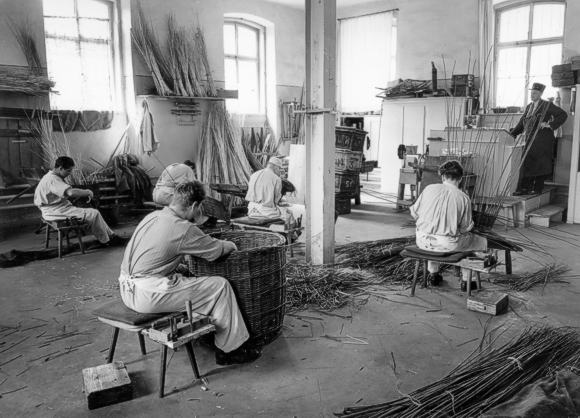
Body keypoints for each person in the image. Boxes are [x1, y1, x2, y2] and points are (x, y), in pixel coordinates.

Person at [119, 181, 260, 365]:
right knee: (219, 286)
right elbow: (216, 251)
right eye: (199, 207)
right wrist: (233, 245)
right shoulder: (183, 228)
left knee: (188, 277)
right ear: (194, 205)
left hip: (125, 288)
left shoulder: (153, 217)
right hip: (147, 295)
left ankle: (210, 328)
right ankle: (230, 350)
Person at [410, 160, 487, 290]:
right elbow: (465, 228)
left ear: (443, 176)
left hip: (422, 240)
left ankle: (433, 274)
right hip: (447, 245)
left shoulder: (429, 188)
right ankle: (468, 281)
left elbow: (414, 214)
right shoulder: (463, 197)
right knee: (478, 241)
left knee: (434, 236)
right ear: (461, 178)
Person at [34, 156, 118, 246]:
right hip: (54, 211)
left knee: (94, 213)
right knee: (93, 213)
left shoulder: (49, 176)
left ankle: (111, 236)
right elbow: (70, 192)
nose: (69, 173)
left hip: (54, 208)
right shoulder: (52, 179)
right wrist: (87, 192)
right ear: (60, 168)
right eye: (68, 171)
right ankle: (106, 241)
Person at [509, 82, 567, 195]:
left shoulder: (547, 105)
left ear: (540, 94)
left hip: (543, 139)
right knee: (527, 162)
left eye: (535, 93)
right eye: (532, 93)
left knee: (541, 163)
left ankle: (537, 188)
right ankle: (525, 188)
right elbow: (522, 122)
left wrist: (550, 124)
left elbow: (563, 114)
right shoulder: (529, 106)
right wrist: (513, 133)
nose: (532, 95)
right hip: (530, 138)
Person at [245, 157, 302, 228]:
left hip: (251, 210)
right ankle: (291, 235)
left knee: (283, 211)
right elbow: (275, 201)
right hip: (265, 212)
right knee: (288, 214)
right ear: (275, 167)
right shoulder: (276, 179)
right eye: (279, 168)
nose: (279, 171)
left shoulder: (253, 175)